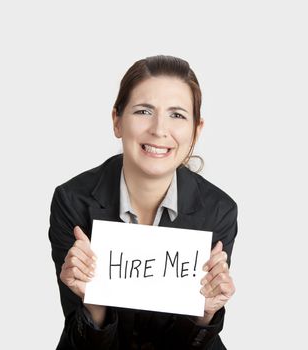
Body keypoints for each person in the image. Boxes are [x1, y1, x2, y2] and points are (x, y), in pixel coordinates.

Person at [49, 55, 238, 349]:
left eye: (177, 115)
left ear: (196, 130)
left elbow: (192, 343)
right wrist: (92, 304)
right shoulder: (72, 201)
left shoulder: (218, 210)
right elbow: (79, 337)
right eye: (143, 111)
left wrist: (206, 313)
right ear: (117, 121)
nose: (159, 129)